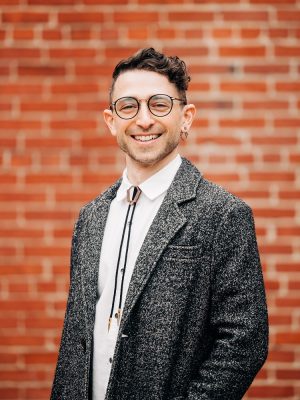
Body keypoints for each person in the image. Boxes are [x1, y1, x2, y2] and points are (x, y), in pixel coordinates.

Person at [51, 47, 268, 400]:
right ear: (111, 121)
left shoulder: (223, 213)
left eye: (159, 104)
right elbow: (77, 340)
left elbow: (244, 342)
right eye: (128, 106)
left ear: (186, 117)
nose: (144, 119)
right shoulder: (90, 217)